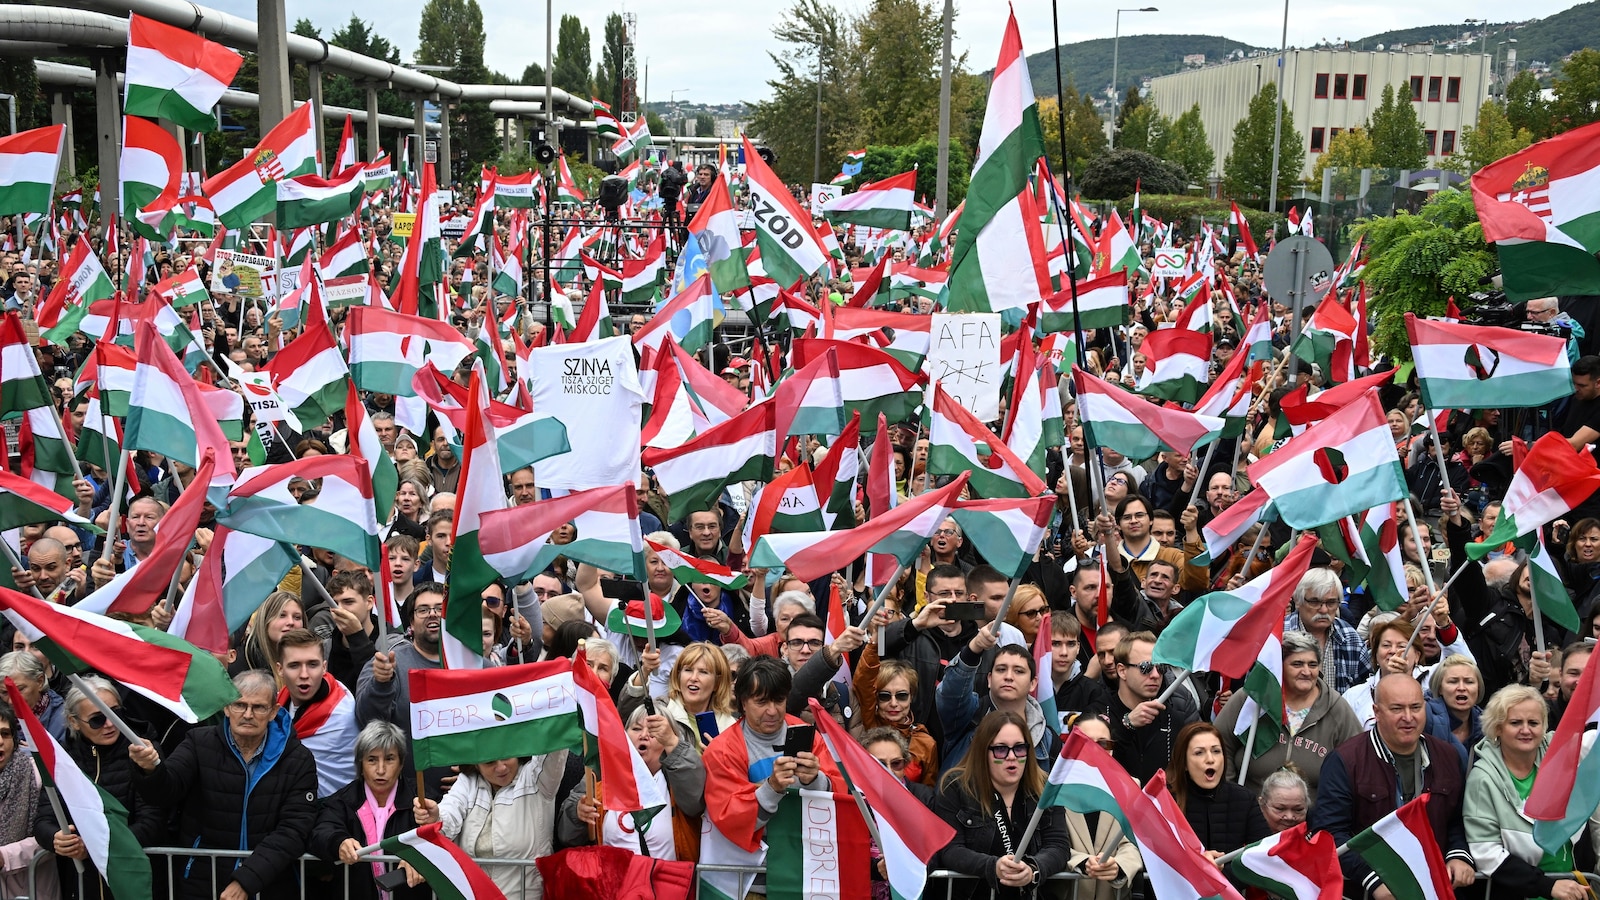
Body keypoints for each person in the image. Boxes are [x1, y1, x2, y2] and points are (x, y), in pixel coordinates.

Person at [130, 670, 320, 900]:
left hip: (270, 884)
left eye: (258, 707)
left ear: (273, 712)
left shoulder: (298, 759)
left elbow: (294, 829)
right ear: (226, 708)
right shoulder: (198, 742)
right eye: (239, 705)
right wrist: (150, 770)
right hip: (202, 882)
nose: (248, 714)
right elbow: (166, 792)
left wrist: (246, 880)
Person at [1310, 674, 1477, 900]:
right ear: (1377, 712)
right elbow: (1330, 834)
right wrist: (1373, 879)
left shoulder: (1447, 755)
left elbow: (1457, 819)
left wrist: (1458, 855)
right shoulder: (1345, 761)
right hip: (1366, 893)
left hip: (1433, 890)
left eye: (1416, 707)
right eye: (1397, 709)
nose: (1408, 717)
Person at [700, 657, 844, 869]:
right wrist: (772, 787)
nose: (772, 711)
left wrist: (816, 779)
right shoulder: (722, 750)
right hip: (750, 875)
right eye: (761, 702)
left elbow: (841, 794)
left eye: (779, 700)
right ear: (742, 703)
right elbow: (731, 820)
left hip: (808, 866)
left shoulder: (807, 733)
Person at [1463, 684, 1593, 900]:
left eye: (1533, 722)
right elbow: (1486, 852)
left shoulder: (1558, 751)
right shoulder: (1481, 779)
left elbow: (1592, 742)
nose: (1526, 730)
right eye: (1515, 723)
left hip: (1576, 886)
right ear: (1497, 728)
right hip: (1521, 892)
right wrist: (1546, 886)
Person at [35, 677, 159, 900]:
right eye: (97, 720)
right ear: (74, 722)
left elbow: (152, 822)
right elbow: (44, 819)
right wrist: (57, 838)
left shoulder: (143, 752)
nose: (110, 724)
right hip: (81, 886)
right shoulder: (63, 759)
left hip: (133, 883)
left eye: (115, 714)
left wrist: (95, 848)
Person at [932, 710, 1076, 900]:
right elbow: (950, 849)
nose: (1011, 757)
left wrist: (1033, 868)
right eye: (1001, 749)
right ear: (983, 751)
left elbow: (1058, 845)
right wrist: (993, 866)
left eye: (1019, 748)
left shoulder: (1045, 789)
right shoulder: (955, 787)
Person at [412, 748, 579, 899]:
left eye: (507, 756)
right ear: (476, 764)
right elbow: (449, 815)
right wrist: (435, 817)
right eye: (489, 762)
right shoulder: (467, 782)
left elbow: (554, 748)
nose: (501, 768)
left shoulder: (537, 780)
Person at [1214, 630, 1361, 802]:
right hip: (1249, 816)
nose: (1306, 672)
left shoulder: (1337, 708)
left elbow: (1356, 763)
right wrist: (1229, 797)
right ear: (1280, 666)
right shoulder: (1252, 699)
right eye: (1297, 664)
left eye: (1312, 665)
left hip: (1311, 821)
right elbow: (1220, 744)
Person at [559, 705, 706, 860]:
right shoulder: (602, 775)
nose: (643, 735)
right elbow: (566, 836)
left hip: (666, 881)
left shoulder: (678, 777)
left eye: (653, 731)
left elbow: (694, 803)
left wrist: (675, 747)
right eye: (636, 729)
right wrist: (577, 814)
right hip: (613, 881)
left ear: (669, 739)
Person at [309, 721, 428, 900]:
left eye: (389, 759)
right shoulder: (343, 801)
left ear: (401, 763)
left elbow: (442, 836)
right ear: (360, 764)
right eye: (372, 759)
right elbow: (321, 831)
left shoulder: (421, 801)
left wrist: (420, 857)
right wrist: (339, 842)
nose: (381, 770)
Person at [937, 627, 1059, 773]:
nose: (1008, 676)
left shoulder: (1048, 740)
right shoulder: (968, 715)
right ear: (989, 679)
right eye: (1001, 669)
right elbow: (950, 693)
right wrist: (974, 647)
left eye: (1018, 671)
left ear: (1033, 683)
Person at [274, 628, 359, 798]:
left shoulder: (343, 712)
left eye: (312, 664)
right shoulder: (277, 705)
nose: (304, 674)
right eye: (294, 665)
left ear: (324, 667)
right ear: (280, 669)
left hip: (338, 812)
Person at [1165, 722, 1270, 857]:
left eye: (1216, 751)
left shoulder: (1244, 799)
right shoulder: (1166, 801)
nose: (1210, 759)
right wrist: (1200, 864)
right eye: (1199, 753)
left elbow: (1263, 857)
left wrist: (1223, 869)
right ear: (1184, 763)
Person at [1107, 630, 1198, 783]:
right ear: (1122, 671)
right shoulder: (1100, 710)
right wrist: (1127, 725)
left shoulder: (1178, 710)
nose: (1156, 675)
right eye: (1145, 667)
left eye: (1161, 667)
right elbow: (1095, 766)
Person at [0, 700, 57, 900]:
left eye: (5, 734)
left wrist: (5, 856)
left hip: (31, 889)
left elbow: (55, 837)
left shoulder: (37, 774)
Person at [1285, 568, 1370, 695]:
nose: (1324, 610)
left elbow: (1366, 691)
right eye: (1315, 602)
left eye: (1331, 602)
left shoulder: (1350, 637)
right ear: (1298, 601)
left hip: (1339, 714)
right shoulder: (1278, 636)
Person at [0, 650, 66, 743]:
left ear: (40, 681)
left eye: (19, 690)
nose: (11, 701)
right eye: (4, 692)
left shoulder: (65, 721)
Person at [1258, 769, 1312, 833]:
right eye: (1280, 809)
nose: (1289, 817)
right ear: (1262, 804)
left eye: (1298, 810)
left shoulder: (1317, 839)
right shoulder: (1245, 837)